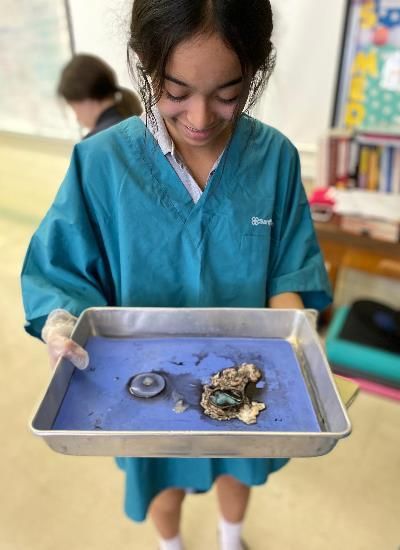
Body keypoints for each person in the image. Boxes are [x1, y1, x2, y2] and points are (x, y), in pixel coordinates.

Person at [21, 2, 332, 549]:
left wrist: (296, 348)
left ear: (255, 73)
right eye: (176, 90)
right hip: (141, 385)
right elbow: (64, 271)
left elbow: (291, 270)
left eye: (227, 93)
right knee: (160, 478)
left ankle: (231, 537)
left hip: (248, 372)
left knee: (241, 469)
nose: (200, 117)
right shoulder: (100, 164)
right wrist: (62, 322)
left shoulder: (274, 159)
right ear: (145, 65)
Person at [57, 53, 142, 138]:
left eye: (73, 107)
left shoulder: (92, 143)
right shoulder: (141, 125)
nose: (77, 118)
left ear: (87, 99)